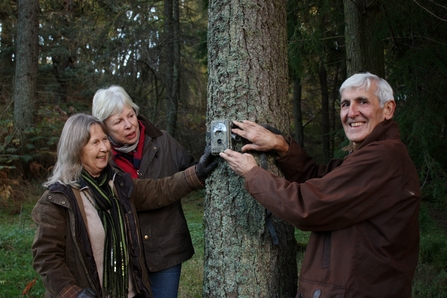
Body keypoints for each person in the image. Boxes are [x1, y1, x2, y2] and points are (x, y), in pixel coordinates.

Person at [220, 72, 420, 298]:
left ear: (388, 109)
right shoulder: (371, 155)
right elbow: (320, 177)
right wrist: (282, 147)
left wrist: (252, 173)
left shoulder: (384, 157)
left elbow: (308, 206)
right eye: (345, 104)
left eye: (362, 102)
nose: (351, 113)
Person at [31, 113, 216, 298]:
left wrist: (197, 173)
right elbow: (46, 257)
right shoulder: (58, 199)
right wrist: (73, 294)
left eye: (105, 139)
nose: (104, 148)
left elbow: (160, 190)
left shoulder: (118, 183)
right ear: (76, 148)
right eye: (95, 143)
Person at [92, 86, 198, 298]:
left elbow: (193, 169)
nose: (129, 125)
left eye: (130, 115)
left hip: (166, 250)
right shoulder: (100, 158)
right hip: (124, 255)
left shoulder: (164, 141)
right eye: (118, 121)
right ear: (104, 128)